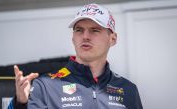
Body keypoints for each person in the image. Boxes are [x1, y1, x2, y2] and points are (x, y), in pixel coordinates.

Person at [8, 3, 143, 109]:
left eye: (94, 30)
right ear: (73, 38)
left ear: (112, 39)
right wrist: (21, 105)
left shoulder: (128, 89)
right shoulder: (45, 85)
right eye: (79, 30)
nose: (85, 36)